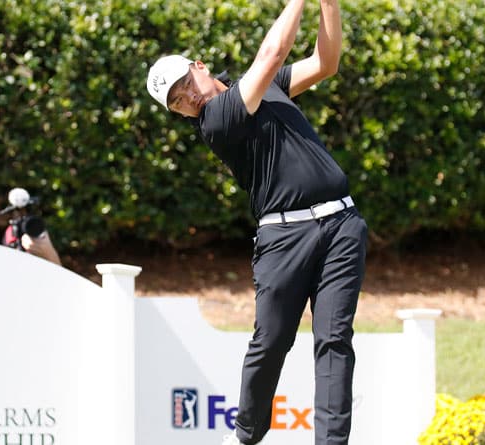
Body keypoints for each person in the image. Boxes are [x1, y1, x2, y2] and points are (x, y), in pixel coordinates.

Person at [146, 0, 367, 444]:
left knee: (335, 340)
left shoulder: (259, 88)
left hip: (341, 225)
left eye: (185, 84)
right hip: (284, 238)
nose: (188, 97)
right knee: (271, 342)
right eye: (177, 101)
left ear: (201, 66)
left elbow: (326, 62)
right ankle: (246, 435)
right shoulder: (216, 120)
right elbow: (273, 52)